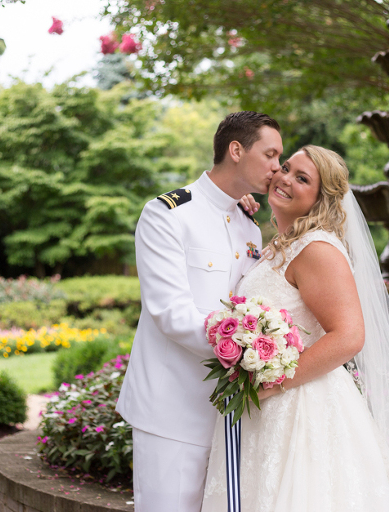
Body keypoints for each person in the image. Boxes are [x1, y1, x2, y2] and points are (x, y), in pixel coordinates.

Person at [202, 145, 389, 512]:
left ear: (321, 199)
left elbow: (349, 335)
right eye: (286, 167)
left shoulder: (317, 248)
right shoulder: (280, 244)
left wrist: (275, 381)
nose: (285, 178)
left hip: (302, 407)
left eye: (302, 178)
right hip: (266, 406)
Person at [116, 111, 283, 512]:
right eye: (272, 154)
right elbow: (170, 312)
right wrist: (250, 352)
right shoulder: (168, 213)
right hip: (172, 407)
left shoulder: (249, 224)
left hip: (232, 410)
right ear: (237, 150)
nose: (278, 167)